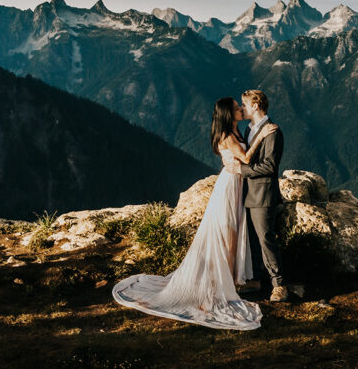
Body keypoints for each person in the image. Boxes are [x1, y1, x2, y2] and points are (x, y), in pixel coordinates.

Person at [111, 97, 263, 330]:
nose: (241, 109)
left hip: (235, 183)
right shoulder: (229, 136)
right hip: (231, 185)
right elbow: (246, 159)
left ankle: (233, 278)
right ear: (228, 114)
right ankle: (230, 281)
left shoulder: (234, 133)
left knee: (233, 230)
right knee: (229, 231)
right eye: (236, 108)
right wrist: (263, 135)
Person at [223, 89, 287, 303]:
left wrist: (241, 171)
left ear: (256, 106)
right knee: (250, 239)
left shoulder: (273, 132)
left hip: (262, 194)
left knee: (266, 238)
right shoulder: (249, 130)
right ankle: (257, 280)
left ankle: (279, 285)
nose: (241, 108)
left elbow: (269, 166)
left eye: (244, 104)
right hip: (246, 192)